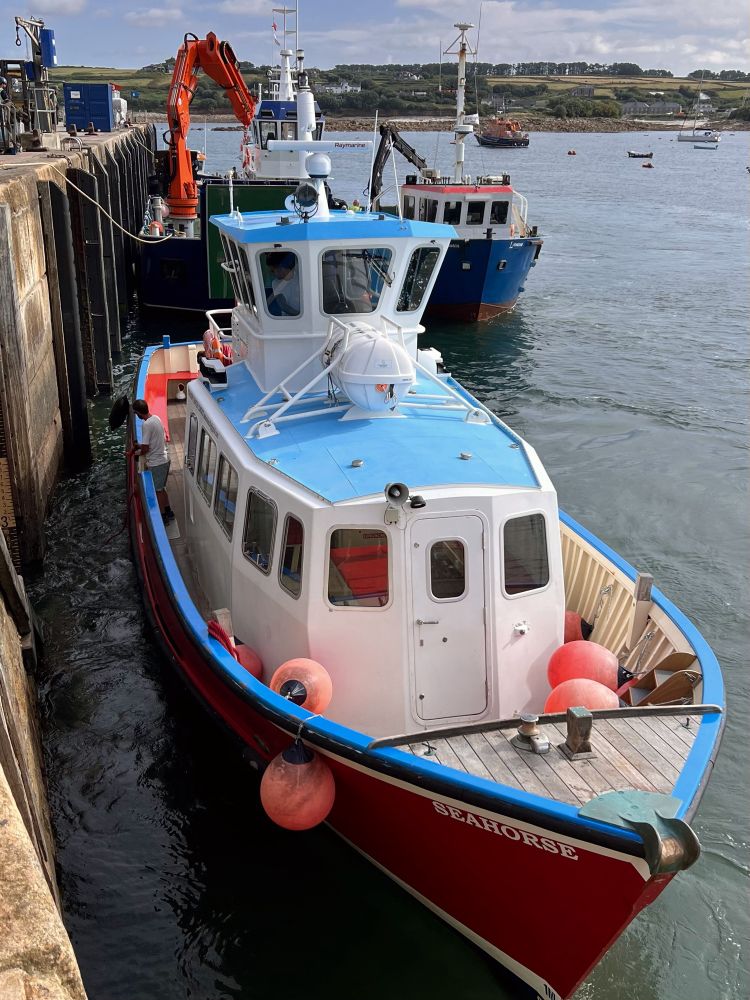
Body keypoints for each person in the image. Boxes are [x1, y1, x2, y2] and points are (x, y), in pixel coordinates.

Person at [129, 399, 175, 525]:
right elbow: (151, 442)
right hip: (165, 460)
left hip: (157, 463)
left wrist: (136, 453)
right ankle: (168, 511)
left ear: (138, 413)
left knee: (157, 491)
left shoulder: (146, 425)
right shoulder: (156, 418)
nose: (136, 415)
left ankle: (163, 517)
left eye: (135, 413)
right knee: (162, 488)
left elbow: (145, 449)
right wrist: (139, 446)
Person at [265, 251, 300, 316]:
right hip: (289, 319)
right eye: (272, 271)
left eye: (278, 269)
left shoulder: (300, 274)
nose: (275, 273)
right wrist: (301, 316)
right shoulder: (275, 283)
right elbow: (284, 306)